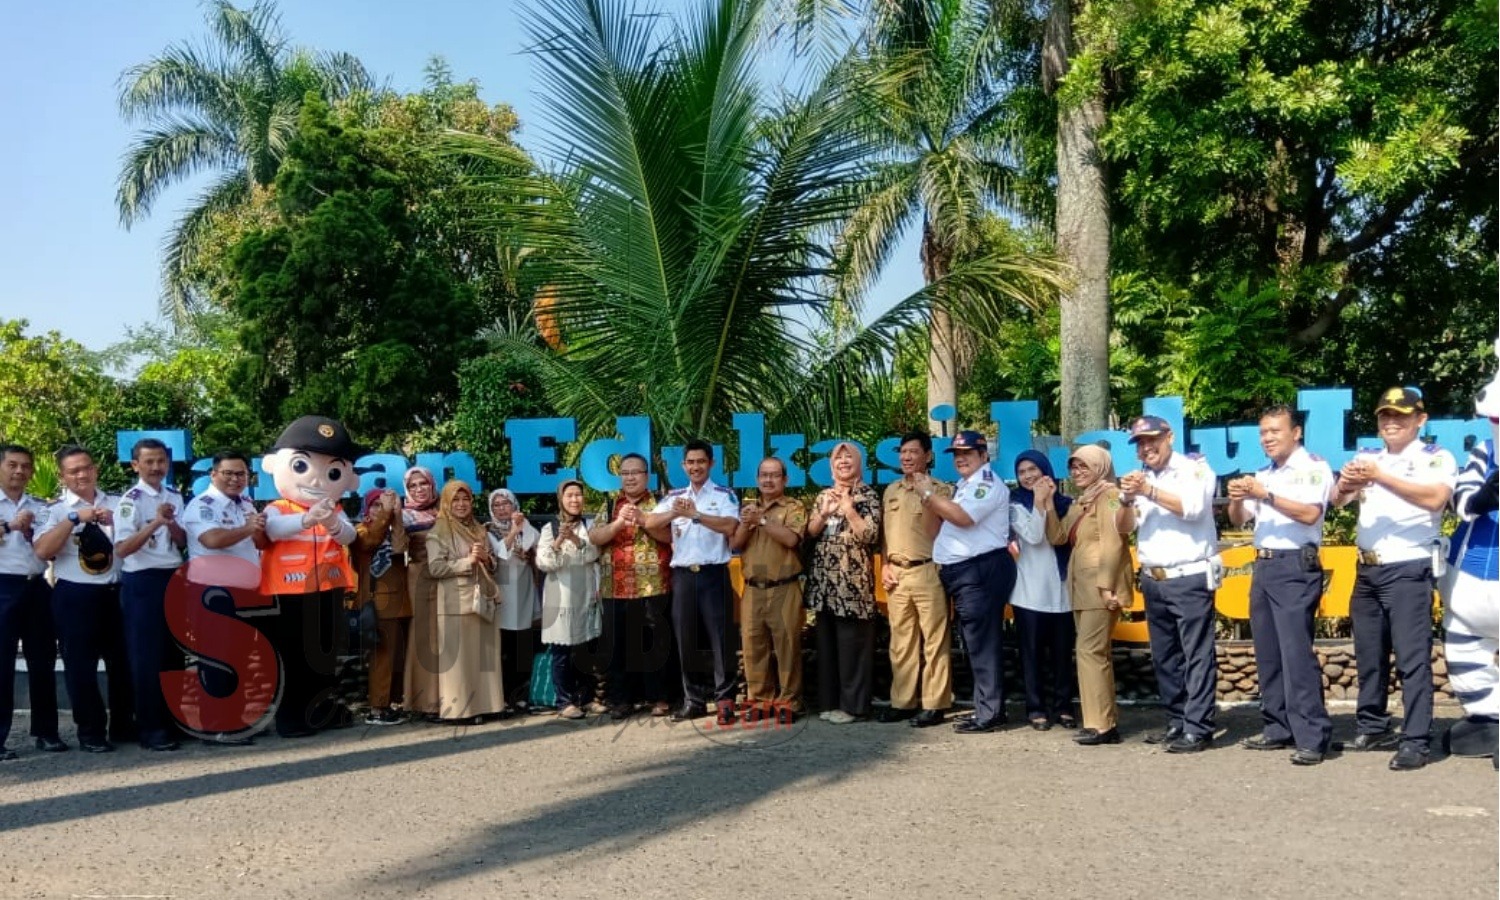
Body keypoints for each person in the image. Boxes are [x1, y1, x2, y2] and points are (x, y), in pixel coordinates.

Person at [1332, 388, 1455, 771]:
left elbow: (1436, 500)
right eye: (1385, 415)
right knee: (1369, 654)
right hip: (1367, 568)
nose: (1391, 422)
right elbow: (1336, 501)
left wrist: (1380, 477)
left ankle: (1416, 739)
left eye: (1400, 416)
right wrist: (1349, 484)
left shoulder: (1435, 458)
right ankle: (1373, 724)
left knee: (1411, 657)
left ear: (1420, 419)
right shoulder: (1368, 458)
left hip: (1409, 567)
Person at [1228, 405, 1335, 766]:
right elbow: (1238, 518)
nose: (1268, 438)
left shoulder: (1313, 467)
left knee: (1295, 653)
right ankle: (1278, 727)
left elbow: (1310, 513)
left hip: (1295, 565)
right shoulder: (1263, 473)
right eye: (1263, 433)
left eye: (1275, 431)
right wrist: (1240, 496)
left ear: (1296, 432)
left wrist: (1266, 495)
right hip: (1264, 562)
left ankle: (1312, 735)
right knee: (1268, 652)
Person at [1119, 416, 1221, 754]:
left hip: (1189, 575)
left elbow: (1193, 509)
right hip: (1154, 577)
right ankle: (1177, 720)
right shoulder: (1142, 479)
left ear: (1170, 437)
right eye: (1140, 443)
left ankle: (1199, 726)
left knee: (1196, 655)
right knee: (1165, 657)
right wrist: (1126, 499)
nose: (1146, 447)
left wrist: (1148, 490)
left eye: (1152, 439)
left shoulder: (1195, 469)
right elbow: (1124, 527)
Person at [258, 416, 360, 737]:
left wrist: (329, 521)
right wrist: (306, 520)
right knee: (293, 656)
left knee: (324, 655)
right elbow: (272, 531)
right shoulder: (280, 506)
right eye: (303, 467)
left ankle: (320, 710)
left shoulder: (336, 509)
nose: (317, 481)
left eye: (332, 473)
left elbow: (349, 537)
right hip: (289, 595)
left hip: (327, 589)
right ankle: (291, 718)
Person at [32, 445, 134, 752]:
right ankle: (90, 732)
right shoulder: (54, 510)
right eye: (74, 471)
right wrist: (74, 519)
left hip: (117, 590)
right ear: (62, 476)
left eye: (86, 467)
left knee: (124, 663)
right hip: (76, 595)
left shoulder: (119, 501)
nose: (82, 475)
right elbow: (42, 551)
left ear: (96, 469)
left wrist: (115, 521)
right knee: (81, 668)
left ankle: (123, 725)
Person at [921, 430, 1015, 734]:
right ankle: (985, 708)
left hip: (980, 570)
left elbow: (962, 519)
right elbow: (934, 529)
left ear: (984, 456)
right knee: (974, 641)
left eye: (968, 453)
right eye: (956, 455)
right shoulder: (963, 486)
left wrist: (927, 495)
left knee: (983, 642)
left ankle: (990, 713)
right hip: (963, 573)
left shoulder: (985, 485)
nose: (961, 459)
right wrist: (930, 501)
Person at [1042, 444, 1134, 746]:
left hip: (1098, 587)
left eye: (1085, 466)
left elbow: (1114, 542)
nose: (1077, 472)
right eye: (1074, 467)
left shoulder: (1109, 497)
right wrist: (1045, 504)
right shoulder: (1082, 502)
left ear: (1101, 467)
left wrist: (1107, 585)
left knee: (1090, 652)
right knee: (1092, 653)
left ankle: (1102, 725)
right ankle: (1101, 721)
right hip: (1081, 587)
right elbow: (1057, 536)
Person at [644, 440, 740, 725]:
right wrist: (676, 512)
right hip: (684, 576)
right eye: (690, 462)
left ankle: (725, 701)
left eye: (701, 461)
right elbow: (650, 523)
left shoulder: (724, 495)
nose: (695, 467)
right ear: (684, 466)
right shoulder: (675, 496)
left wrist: (696, 515)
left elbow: (730, 526)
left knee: (721, 639)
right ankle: (694, 700)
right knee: (686, 640)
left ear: (711, 464)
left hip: (713, 574)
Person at [181, 450, 265, 746]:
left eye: (240, 474)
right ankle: (215, 725)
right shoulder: (201, 505)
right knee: (217, 660)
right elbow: (212, 540)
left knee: (240, 658)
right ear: (213, 474)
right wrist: (248, 528)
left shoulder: (245, 502)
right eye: (228, 473)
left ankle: (236, 718)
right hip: (213, 592)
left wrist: (256, 530)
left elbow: (258, 540)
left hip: (243, 591)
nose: (234, 479)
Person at [112, 438, 188, 752]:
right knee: (147, 657)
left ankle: (173, 721)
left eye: (161, 461)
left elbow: (183, 541)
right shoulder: (130, 501)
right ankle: (151, 728)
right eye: (149, 462)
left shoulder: (175, 495)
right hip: (142, 581)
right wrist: (155, 522)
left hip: (173, 576)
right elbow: (122, 548)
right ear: (136, 465)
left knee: (174, 653)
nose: (156, 467)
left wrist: (170, 524)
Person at [588, 455, 677, 719]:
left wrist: (643, 521)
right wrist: (618, 523)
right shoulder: (610, 503)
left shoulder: (661, 503)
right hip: (614, 587)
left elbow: (671, 536)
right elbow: (594, 537)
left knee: (655, 645)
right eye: (625, 473)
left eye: (635, 472)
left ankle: (659, 698)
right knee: (617, 646)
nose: (630, 477)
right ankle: (620, 700)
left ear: (646, 475)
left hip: (653, 585)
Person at [879, 432, 953, 728]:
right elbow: (885, 534)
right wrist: (884, 564)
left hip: (928, 570)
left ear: (928, 456)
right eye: (903, 452)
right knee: (901, 642)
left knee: (934, 641)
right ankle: (903, 702)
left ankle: (934, 704)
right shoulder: (891, 491)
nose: (906, 457)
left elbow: (939, 533)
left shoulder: (941, 490)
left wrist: (926, 495)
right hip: (896, 574)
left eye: (913, 451)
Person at [805, 442, 882, 725]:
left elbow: (871, 536)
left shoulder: (868, 496)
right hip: (825, 585)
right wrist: (824, 513)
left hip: (853, 585)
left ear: (858, 463)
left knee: (853, 648)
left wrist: (850, 510)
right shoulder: (824, 495)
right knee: (827, 647)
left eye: (849, 458)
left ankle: (855, 707)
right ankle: (830, 702)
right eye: (838, 459)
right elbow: (810, 533)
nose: (843, 462)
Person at [730, 457, 808, 723]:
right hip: (753, 588)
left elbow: (791, 539)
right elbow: (737, 544)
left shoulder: (794, 507)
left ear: (785, 480)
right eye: (763, 475)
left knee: (787, 646)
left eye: (774, 475)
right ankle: (761, 700)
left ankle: (789, 701)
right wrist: (747, 522)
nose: (768, 480)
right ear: (757, 479)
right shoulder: (749, 509)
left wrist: (762, 520)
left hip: (784, 586)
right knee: (753, 647)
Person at [0, 444, 65, 760]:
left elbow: (49, 547)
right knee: (1, 665)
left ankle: (46, 732)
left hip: (36, 586)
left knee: (43, 662)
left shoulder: (40, 506)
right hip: (2, 586)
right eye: (12, 465)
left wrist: (30, 533)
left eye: (26, 466)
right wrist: (9, 525)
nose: (19, 472)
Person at [424, 480, 506, 724]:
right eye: (456, 500)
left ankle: (488, 705)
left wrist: (486, 559)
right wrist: (466, 562)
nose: (461, 504)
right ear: (446, 503)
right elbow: (435, 568)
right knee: (458, 660)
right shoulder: (438, 531)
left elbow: (493, 564)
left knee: (484, 656)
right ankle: (460, 711)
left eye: (466, 499)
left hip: (481, 600)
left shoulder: (479, 529)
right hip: (454, 603)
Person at [1009, 449, 1076, 731]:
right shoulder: (1014, 505)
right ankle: (1036, 708)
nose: (1027, 476)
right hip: (1029, 592)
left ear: (1046, 470)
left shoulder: (1068, 504)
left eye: (1032, 470)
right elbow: (1036, 536)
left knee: (1063, 654)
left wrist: (1049, 502)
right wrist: (1039, 501)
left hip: (1063, 592)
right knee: (1032, 654)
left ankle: (1063, 706)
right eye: (1022, 472)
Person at [537, 479, 603, 720]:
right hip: (560, 596)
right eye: (569, 496)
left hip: (584, 593)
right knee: (561, 650)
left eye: (578, 495)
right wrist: (559, 540)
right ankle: (564, 701)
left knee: (585, 648)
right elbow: (544, 563)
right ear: (560, 500)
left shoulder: (589, 525)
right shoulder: (549, 528)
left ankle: (585, 698)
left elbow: (595, 553)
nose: (575, 500)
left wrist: (575, 540)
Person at [354, 488, 411, 726]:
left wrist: (396, 516)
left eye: (385, 503)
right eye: (375, 504)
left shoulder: (392, 527)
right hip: (377, 601)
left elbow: (400, 547)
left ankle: (392, 702)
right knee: (383, 658)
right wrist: (387, 513)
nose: (381, 508)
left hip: (400, 601)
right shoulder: (360, 529)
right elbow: (370, 541)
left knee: (398, 656)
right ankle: (378, 707)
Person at [488, 488, 540, 714]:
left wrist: (522, 526)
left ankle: (521, 694)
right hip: (502, 592)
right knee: (505, 646)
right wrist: (513, 531)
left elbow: (534, 542)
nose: (501, 508)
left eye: (506, 504)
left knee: (523, 644)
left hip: (523, 589)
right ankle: (504, 695)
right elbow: (500, 554)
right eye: (496, 505)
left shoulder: (522, 524)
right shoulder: (487, 530)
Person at [401, 466, 442, 719]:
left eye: (423, 484)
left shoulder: (446, 511)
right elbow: (395, 548)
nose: (418, 489)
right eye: (413, 485)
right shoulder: (404, 517)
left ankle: (451, 698)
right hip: (419, 578)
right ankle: (422, 701)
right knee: (423, 637)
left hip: (447, 579)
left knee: (447, 637)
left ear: (432, 484)